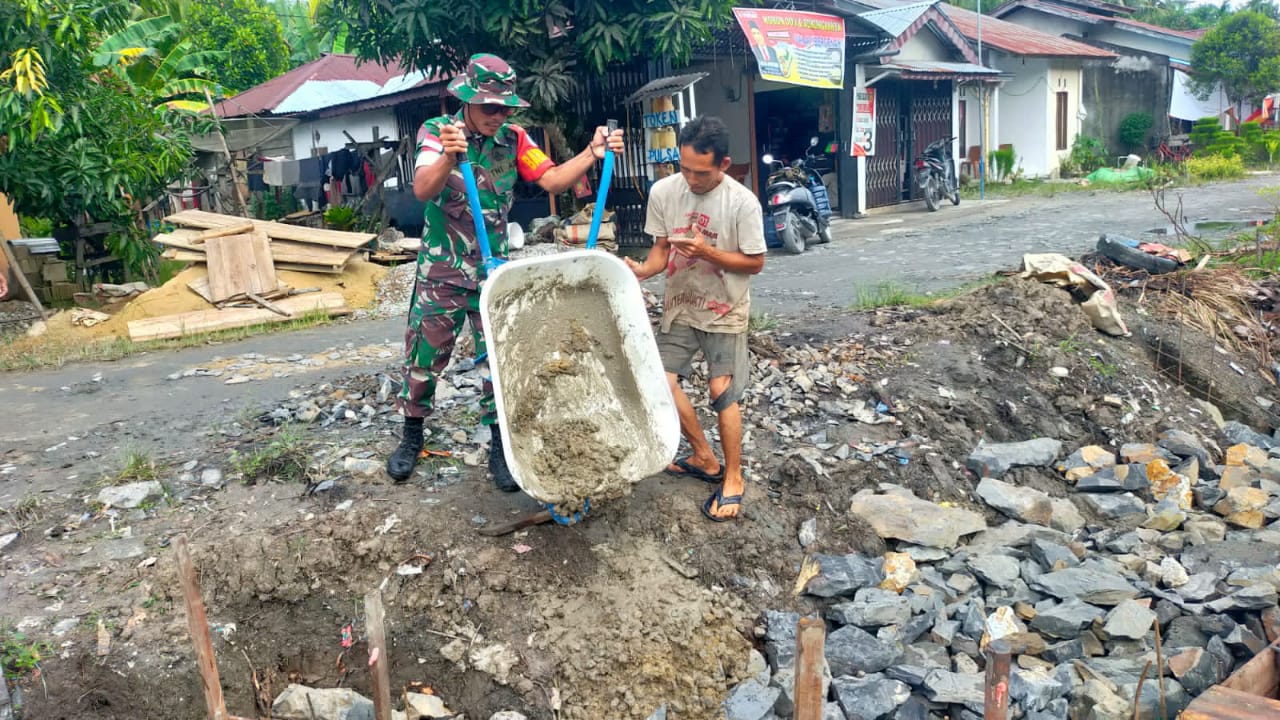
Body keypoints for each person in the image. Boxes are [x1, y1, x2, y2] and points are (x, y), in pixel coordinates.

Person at [388, 53, 625, 490]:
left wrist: (592, 154)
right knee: (424, 358)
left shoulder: (514, 139)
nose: (498, 115)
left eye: (504, 108)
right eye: (489, 107)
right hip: (441, 271)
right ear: (467, 101)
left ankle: (501, 446)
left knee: (496, 362)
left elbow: (552, 180)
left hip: (493, 274)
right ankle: (412, 434)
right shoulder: (439, 133)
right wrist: (448, 158)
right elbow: (423, 188)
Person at [624, 116, 766, 521]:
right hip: (682, 303)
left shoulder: (742, 203)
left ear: (723, 164)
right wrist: (640, 270)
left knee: (723, 391)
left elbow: (755, 263)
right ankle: (705, 457)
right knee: (662, 384)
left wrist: (708, 253)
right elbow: (660, 253)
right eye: (683, 168)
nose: (690, 178)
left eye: (700, 172)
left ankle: (733, 477)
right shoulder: (665, 192)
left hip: (725, 308)